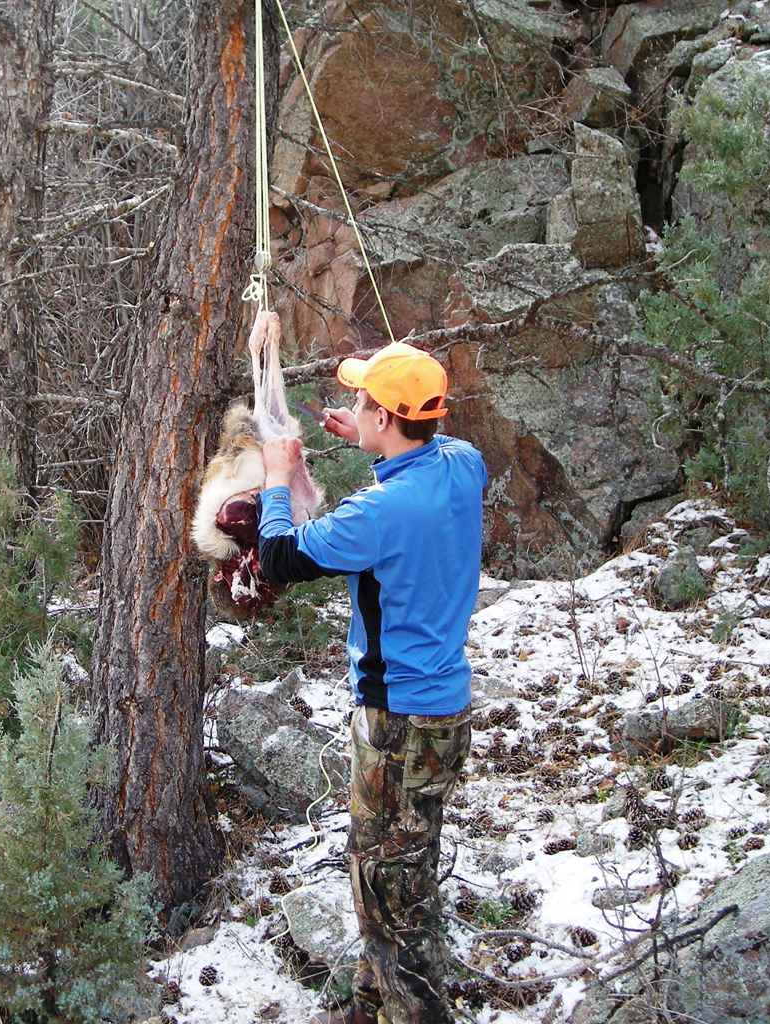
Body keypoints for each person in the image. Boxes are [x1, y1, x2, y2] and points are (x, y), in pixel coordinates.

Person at [258, 341, 487, 1024]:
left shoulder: (379, 514)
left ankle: (413, 1011)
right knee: (389, 871)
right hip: (443, 714)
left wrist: (277, 476)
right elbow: (430, 450)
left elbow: (278, 557)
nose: (353, 409)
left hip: (398, 725)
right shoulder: (462, 466)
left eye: (362, 404)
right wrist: (372, 439)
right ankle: (370, 1007)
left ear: (387, 418)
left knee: (392, 895)